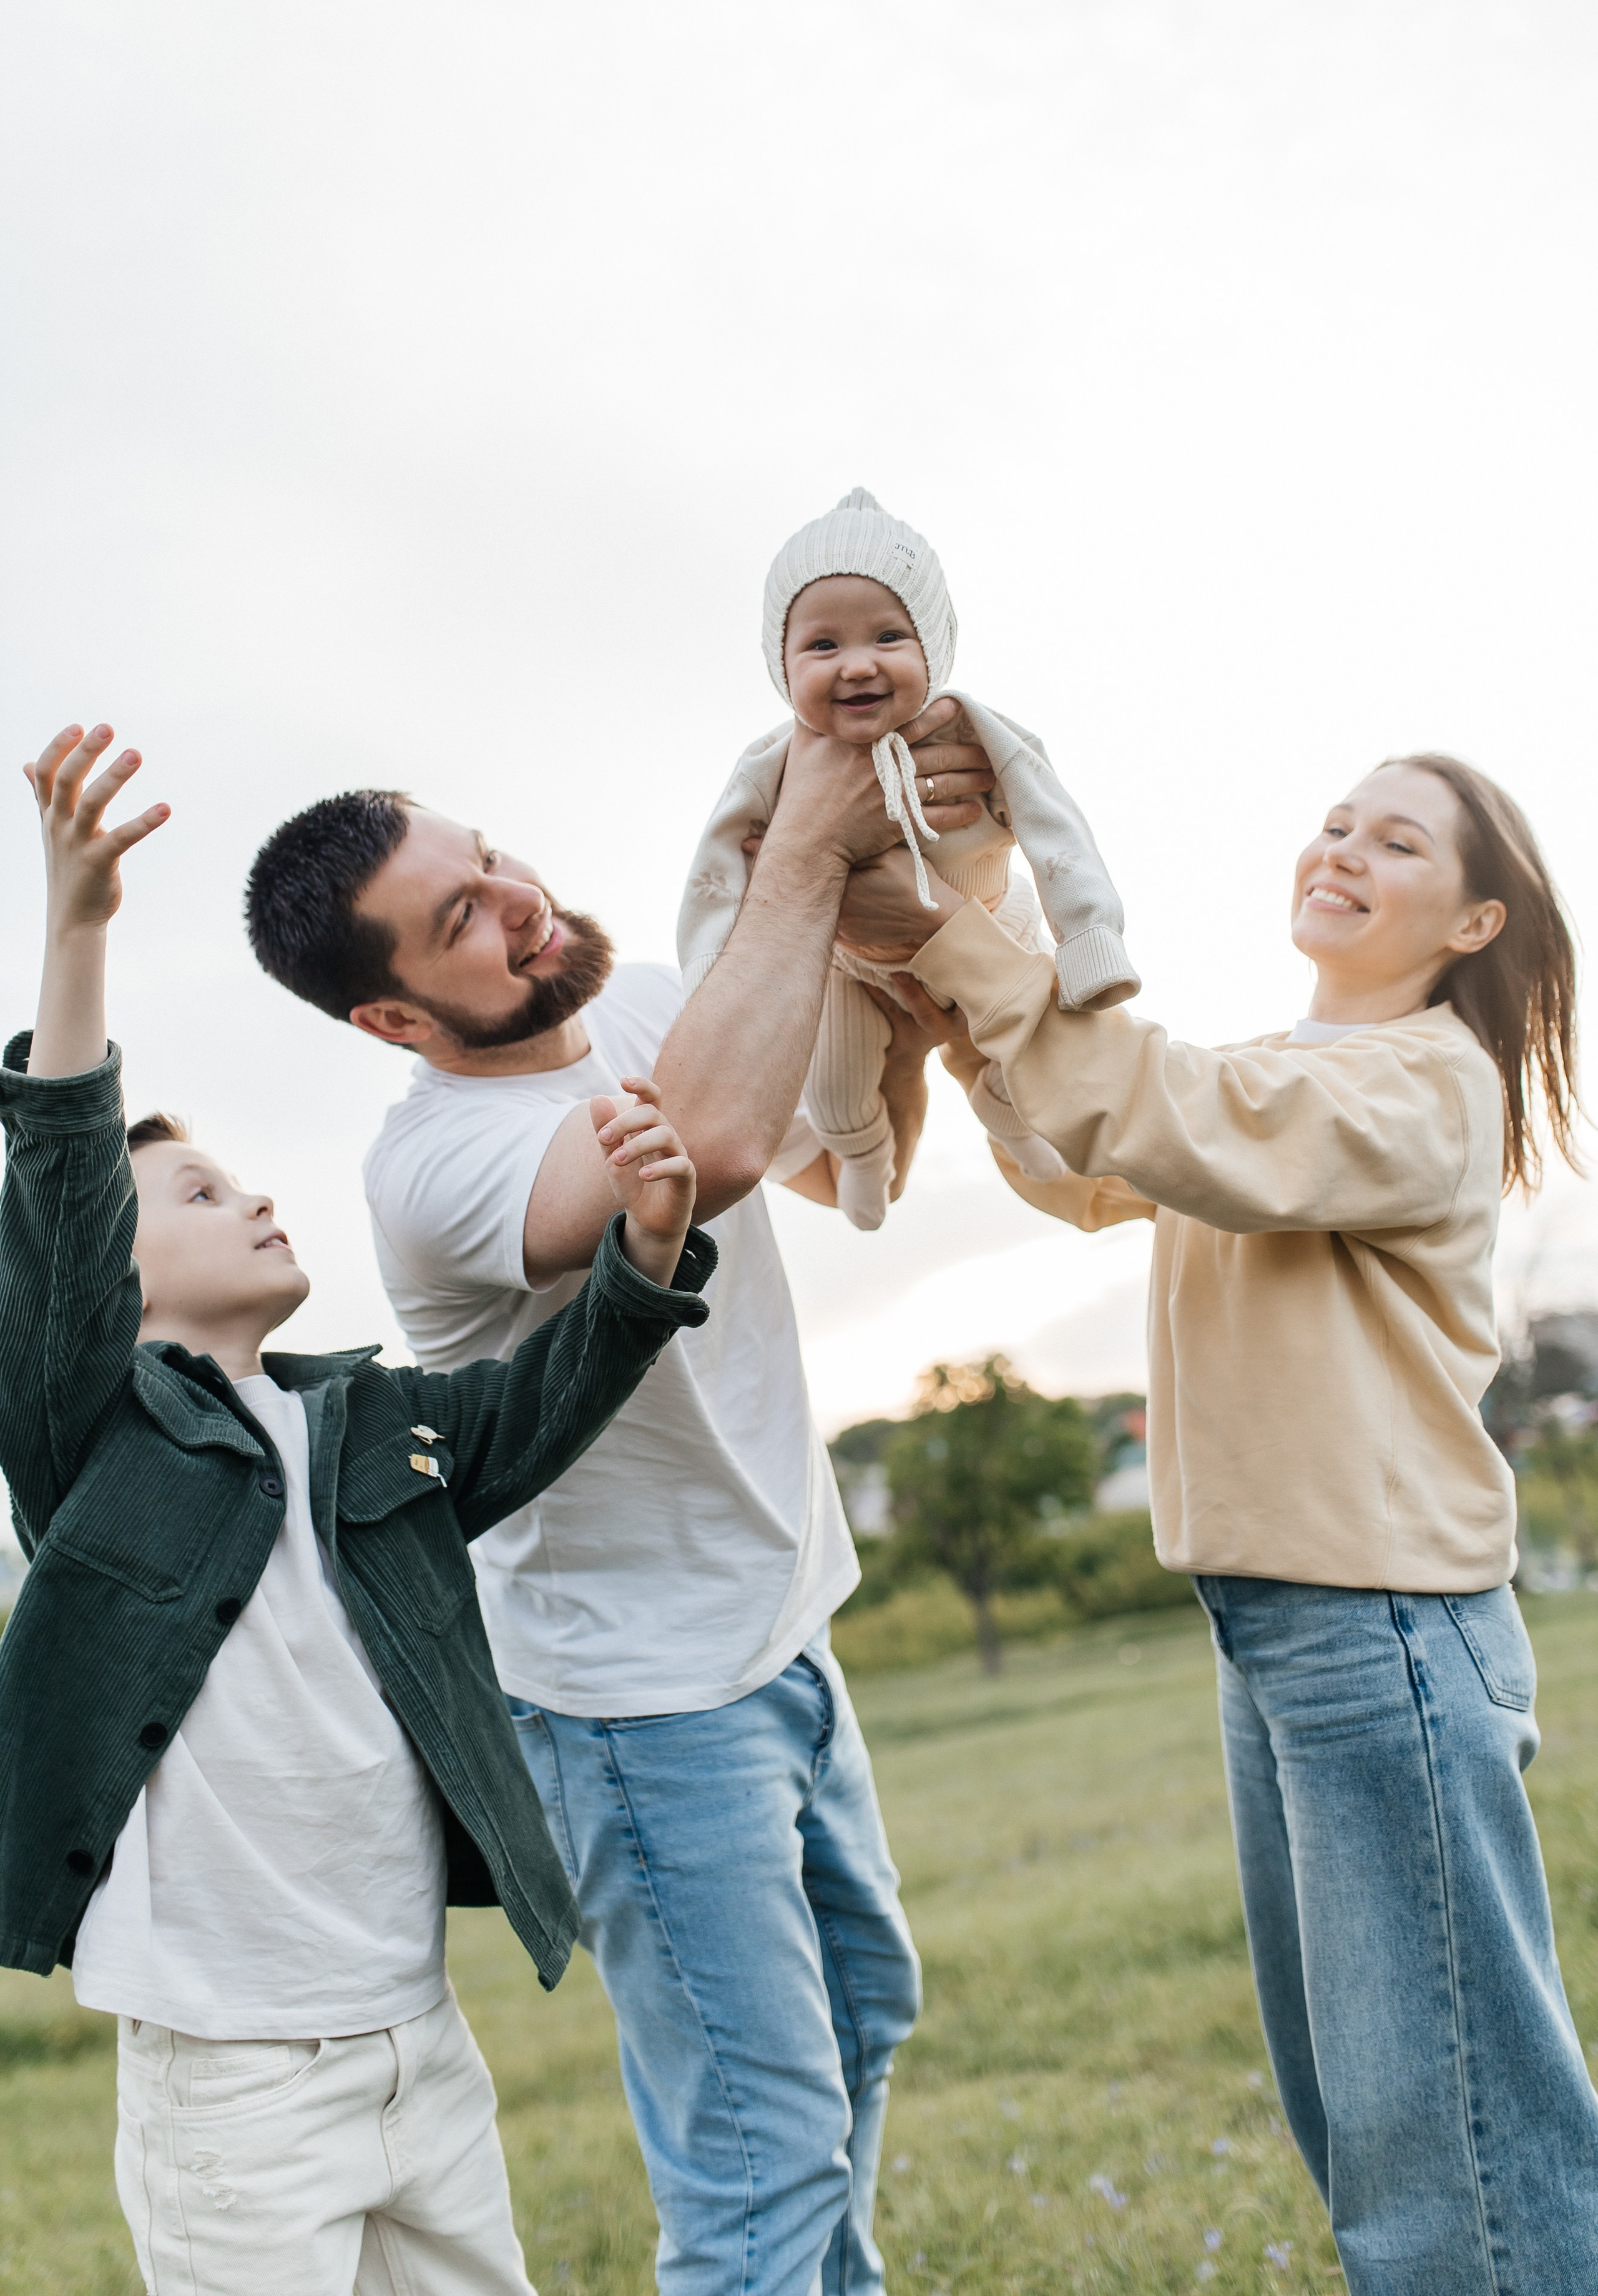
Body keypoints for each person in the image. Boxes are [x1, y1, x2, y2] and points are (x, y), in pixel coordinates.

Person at [242, 706, 994, 2296]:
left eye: (489, 858)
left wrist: (898, 1028)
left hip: (783, 1626)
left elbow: (843, 1163)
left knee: (864, 2014)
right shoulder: (436, 1168)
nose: (516, 898)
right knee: (754, 2150)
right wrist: (799, 835)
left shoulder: (657, 1000)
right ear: (390, 1014)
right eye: (461, 918)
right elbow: (710, 1148)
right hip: (640, 1711)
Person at [838, 750, 1598, 2294]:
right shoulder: (1287, 1073)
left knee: (1445, 2136)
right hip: (1280, 1627)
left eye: (1394, 841)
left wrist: (946, 935)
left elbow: (1155, 1105)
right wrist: (969, 1028)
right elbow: (1092, 1158)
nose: (1339, 848)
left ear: (1469, 923)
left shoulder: (1419, 1084)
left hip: (1377, 1627)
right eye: (1335, 821)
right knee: (1361, 2112)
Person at [1, 722, 716, 2296]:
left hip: (416, 2041)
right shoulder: (94, 1441)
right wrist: (79, 925)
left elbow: (536, 1411)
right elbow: (56, 1181)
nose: (253, 1194)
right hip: (235, 2083)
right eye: (196, 1195)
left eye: (238, 1175)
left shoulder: (364, 1422)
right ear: (105, 1293)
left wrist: (648, 1251)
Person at [677, 486, 1138, 1226]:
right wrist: (708, 974)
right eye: (823, 646)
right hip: (850, 963)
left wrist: (1087, 935)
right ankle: (863, 1159)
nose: (856, 665)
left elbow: (1054, 824)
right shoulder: (774, 762)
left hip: (991, 919)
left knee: (1027, 1049)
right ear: (782, 665)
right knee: (833, 1086)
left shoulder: (972, 733)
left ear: (934, 648)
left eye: (888, 638)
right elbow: (718, 866)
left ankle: (1018, 1130)